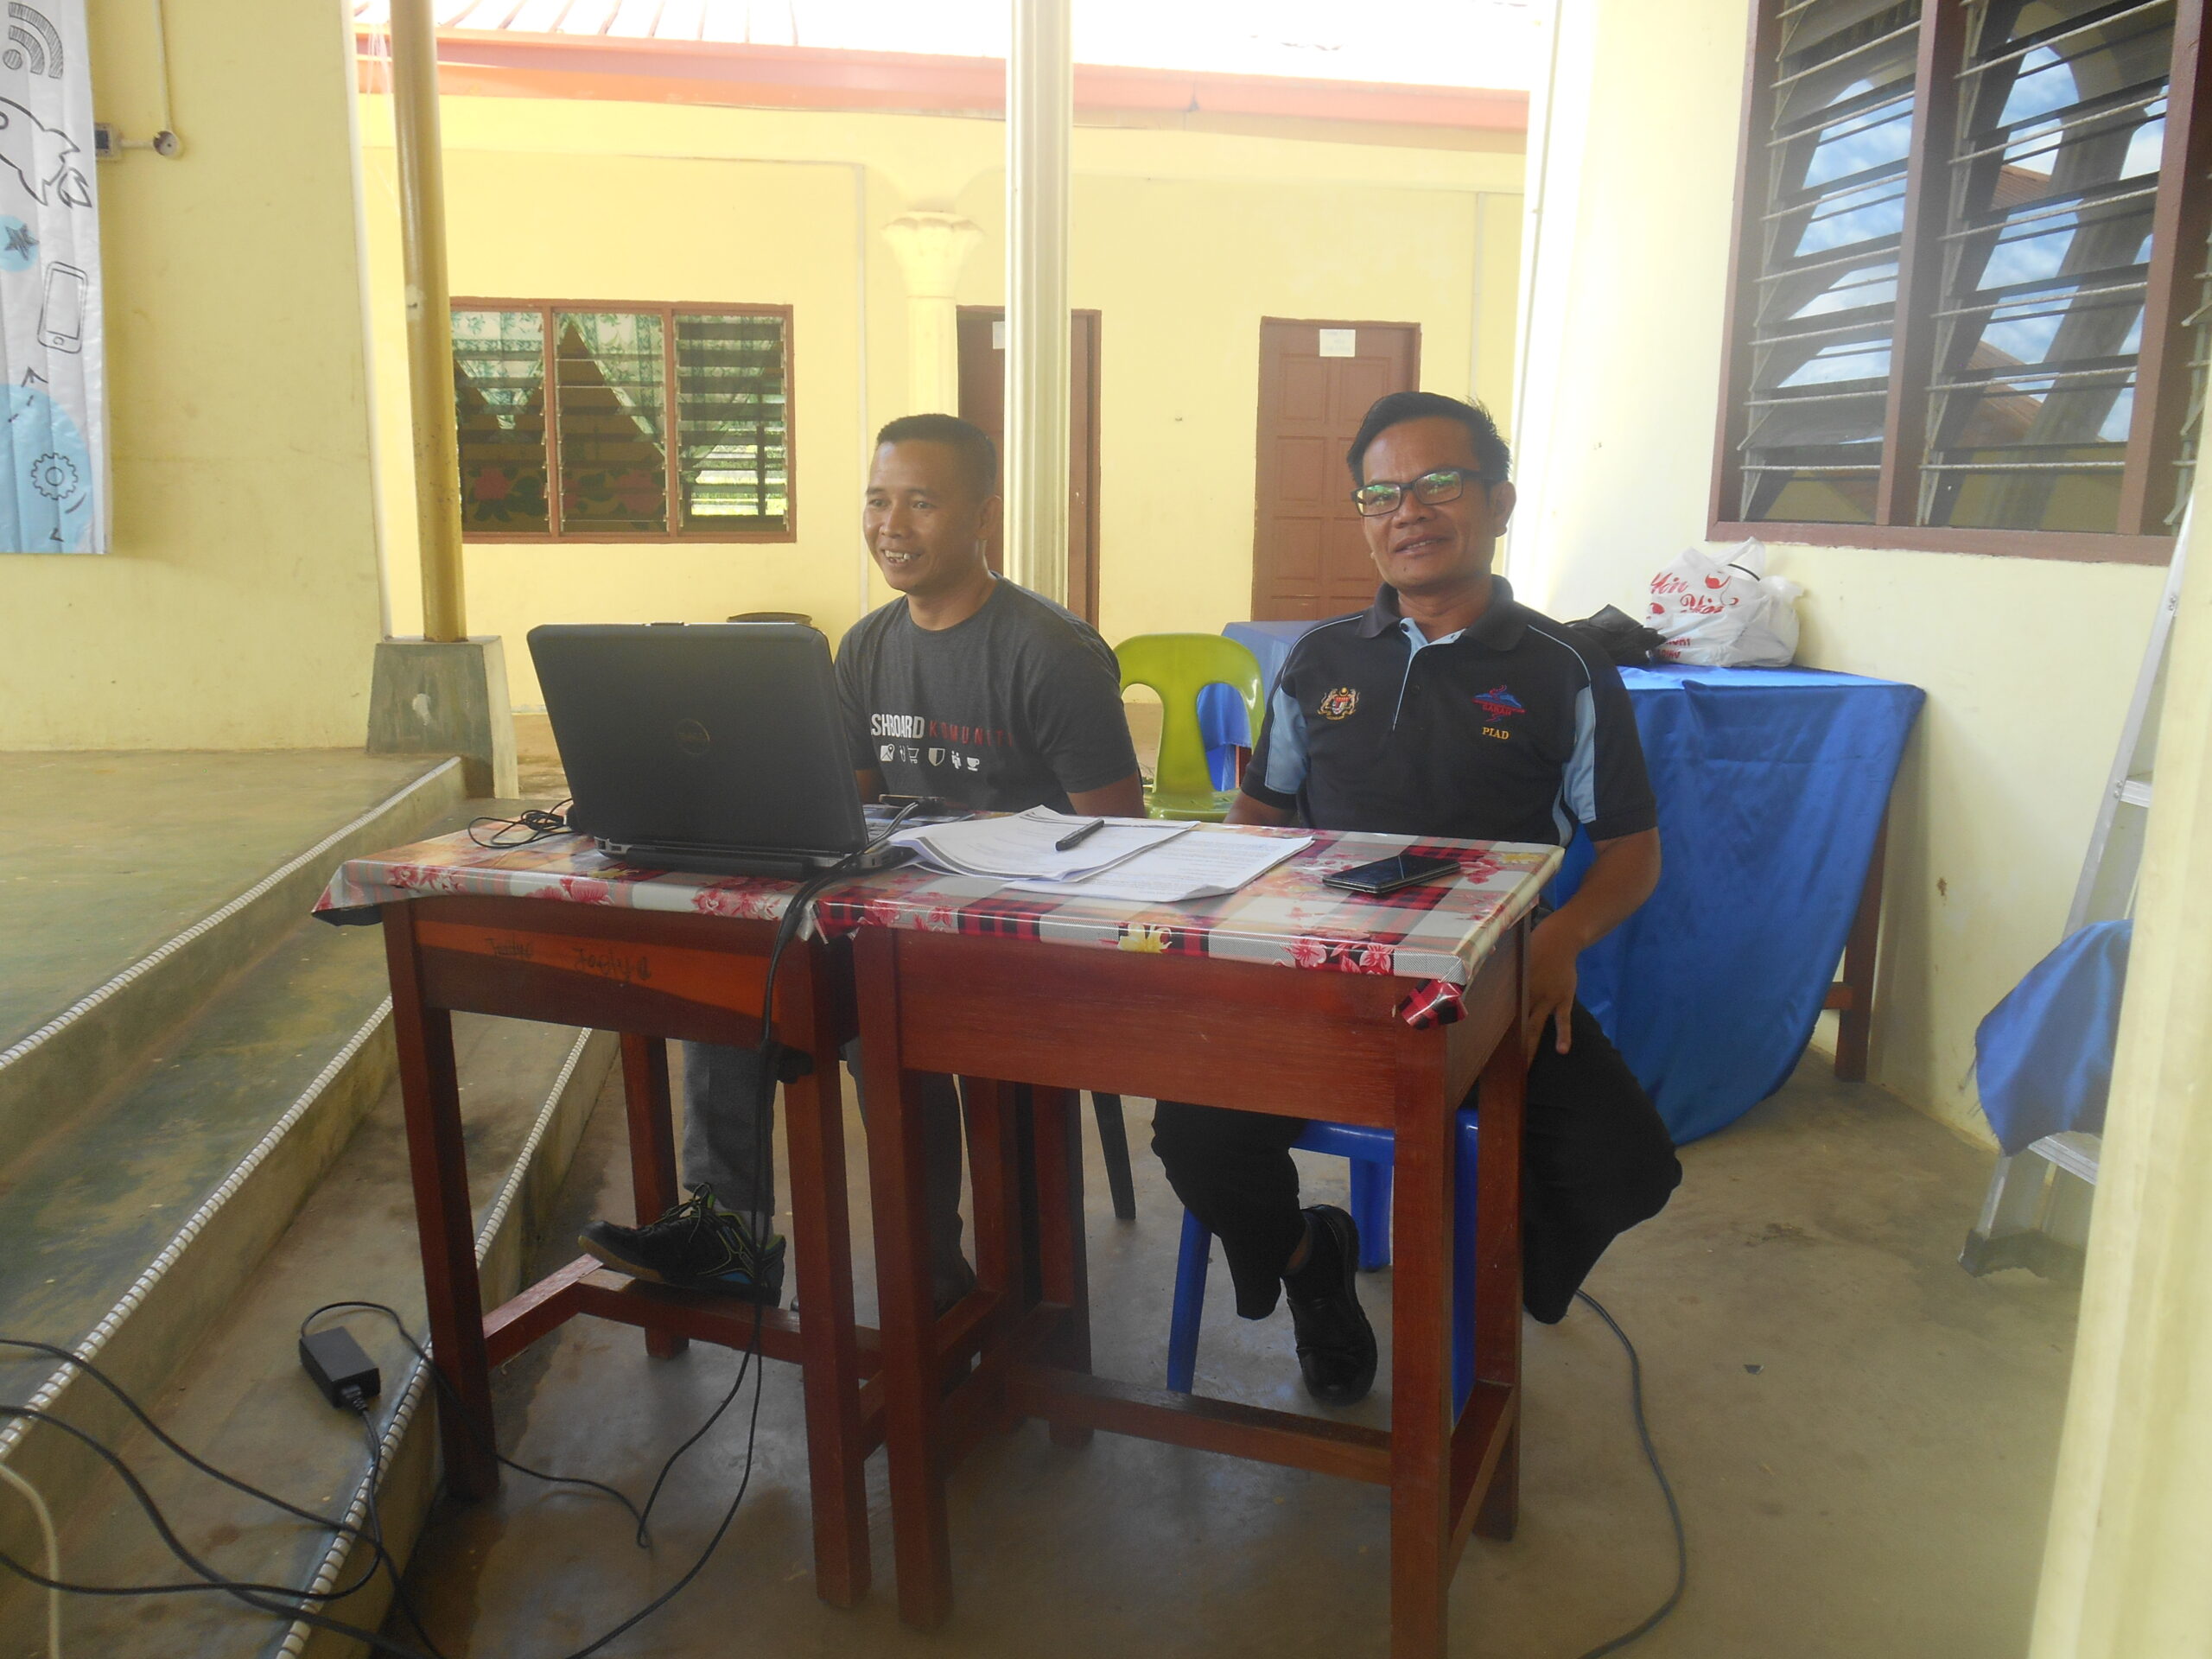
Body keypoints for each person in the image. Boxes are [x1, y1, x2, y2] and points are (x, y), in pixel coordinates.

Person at [1150, 391, 1681, 1407]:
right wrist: (1227, 916)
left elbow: (1631, 850)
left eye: (1439, 483)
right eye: (1381, 493)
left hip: (1490, 991)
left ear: (1498, 502)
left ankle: (1487, 1286)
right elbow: (1261, 812)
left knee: (1624, 1165)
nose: (1408, 512)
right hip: (1318, 980)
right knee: (1196, 1134)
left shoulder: (1563, 670)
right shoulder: (1318, 661)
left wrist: (1563, 938)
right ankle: (1312, 1266)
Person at [582, 414, 1144, 1309]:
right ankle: (727, 1237)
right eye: (878, 501)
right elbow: (844, 809)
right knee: (738, 976)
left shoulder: (1048, 653)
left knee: (886, 1034)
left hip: (1014, 941)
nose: (892, 525)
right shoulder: (867, 645)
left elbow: (1120, 838)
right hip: (892, 924)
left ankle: (939, 1286)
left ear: (982, 516)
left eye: (922, 503)